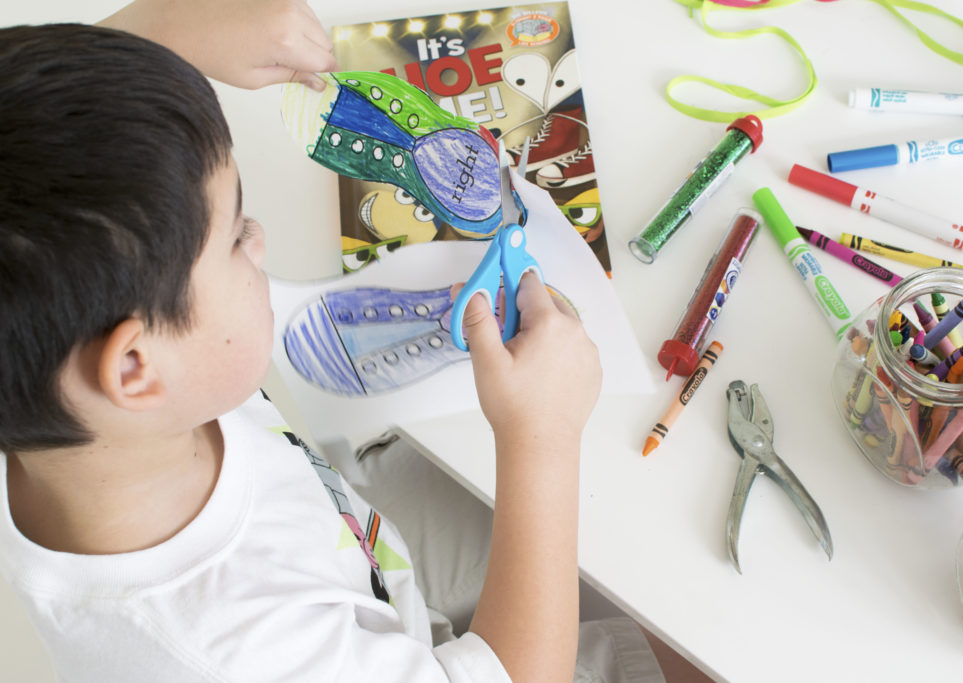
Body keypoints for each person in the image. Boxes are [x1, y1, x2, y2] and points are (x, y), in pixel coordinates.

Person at [0, 3, 695, 681]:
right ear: (134, 364)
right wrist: (541, 439)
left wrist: (161, 29)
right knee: (687, 636)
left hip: (356, 538)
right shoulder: (239, 651)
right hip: (393, 635)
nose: (259, 238)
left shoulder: (63, 399)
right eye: (236, 235)